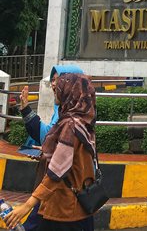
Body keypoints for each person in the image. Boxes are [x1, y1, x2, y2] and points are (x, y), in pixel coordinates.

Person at [6, 72, 97, 231]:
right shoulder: (83, 120)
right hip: (79, 206)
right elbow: (73, 157)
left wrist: (27, 206)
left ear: (70, 91)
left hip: (64, 209)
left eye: (60, 86)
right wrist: (47, 154)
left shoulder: (70, 125)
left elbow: (57, 170)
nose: (55, 87)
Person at [18, 65, 84, 231]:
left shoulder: (74, 121)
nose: (53, 84)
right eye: (52, 80)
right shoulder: (64, 112)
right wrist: (26, 109)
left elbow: (60, 166)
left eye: (58, 79)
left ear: (72, 83)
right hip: (59, 196)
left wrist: (28, 204)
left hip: (67, 197)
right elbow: (49, 139)